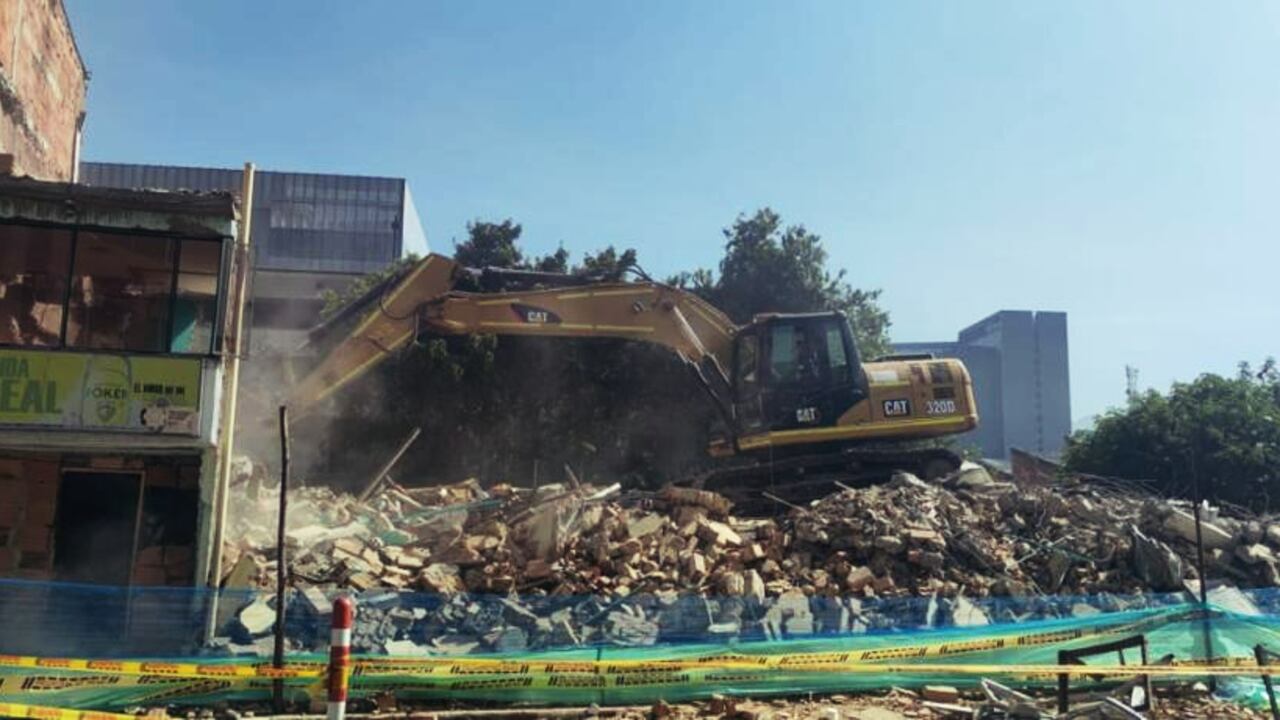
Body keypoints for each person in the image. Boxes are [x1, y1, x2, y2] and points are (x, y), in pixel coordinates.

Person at [0, 281, 59, 345]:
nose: (32, 309)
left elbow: (40, 332)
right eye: (28, 305)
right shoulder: (7, 321)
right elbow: (13, 344)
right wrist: (27, 340)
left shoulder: (23, 318)